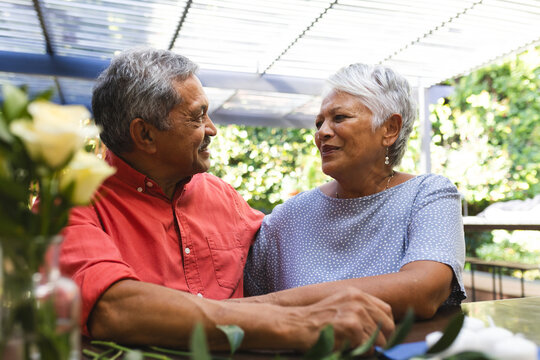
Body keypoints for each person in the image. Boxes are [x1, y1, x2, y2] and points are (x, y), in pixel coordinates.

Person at [59, 48, 394, 351]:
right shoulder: (69, 204)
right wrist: (298, 323)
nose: (212, 129)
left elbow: (290, 248)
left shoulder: (221, 195)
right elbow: (114, 308)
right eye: (197, 115)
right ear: (145, 134)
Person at [244, 63, 466, 320]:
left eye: (339, 118)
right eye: (319, 123)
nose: (322, 133)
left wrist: (277, 303)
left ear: (389, 129)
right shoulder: (290, 215)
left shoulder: (427, 195)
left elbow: (424, 290)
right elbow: (240, 292)